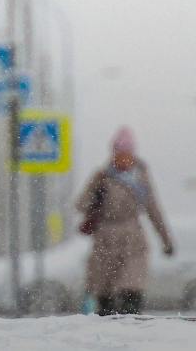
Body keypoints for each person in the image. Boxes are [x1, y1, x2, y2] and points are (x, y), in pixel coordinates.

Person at [76, 127, 174, 316]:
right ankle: (108, 331)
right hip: (105, 240)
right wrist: (95, 197)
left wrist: (167, 241)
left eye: (127, 153)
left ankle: (132, 325)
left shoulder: (141, 177)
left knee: (132, 287)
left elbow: (154, 210)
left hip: (132, 240)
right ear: (113, 153)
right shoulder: (101, 176)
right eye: (119, 153)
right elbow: (81, 204)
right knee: (104, 293)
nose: (123, 158)